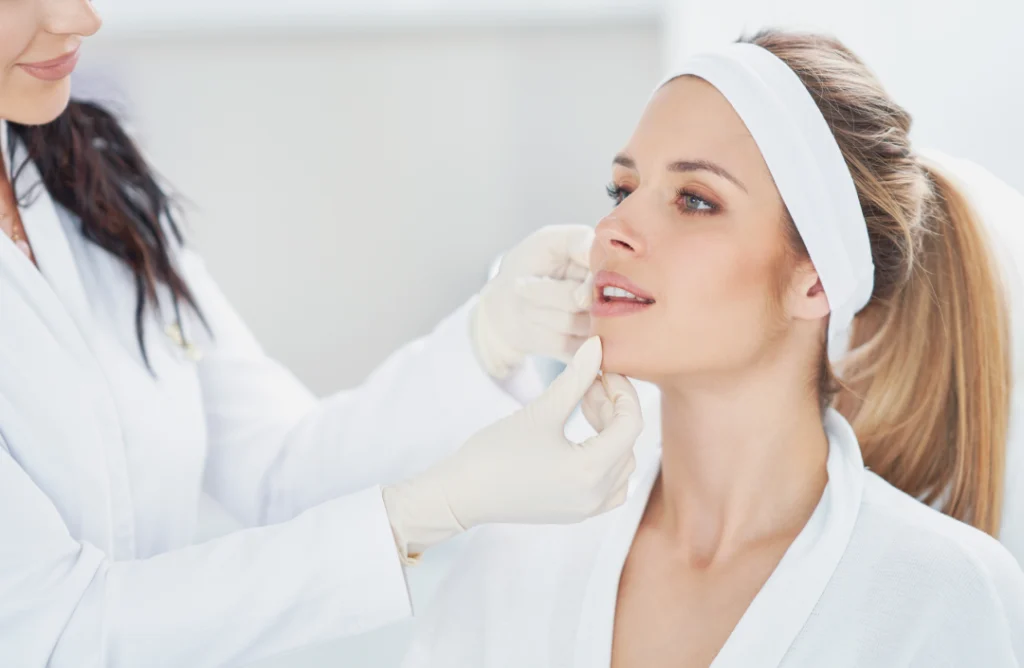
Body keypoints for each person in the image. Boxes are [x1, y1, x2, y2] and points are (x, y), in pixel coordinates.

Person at [0, 2, 644, 667]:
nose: (80, 19)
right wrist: (420, 513)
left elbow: (278, 470)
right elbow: (54, 630)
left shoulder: (81, 172)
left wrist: (487, 340)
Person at [402, 31, 1024, 667]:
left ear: (815, 280)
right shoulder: (512, 562)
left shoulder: (938, 599)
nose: (613, 229)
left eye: (695, 200)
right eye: (622, 190)